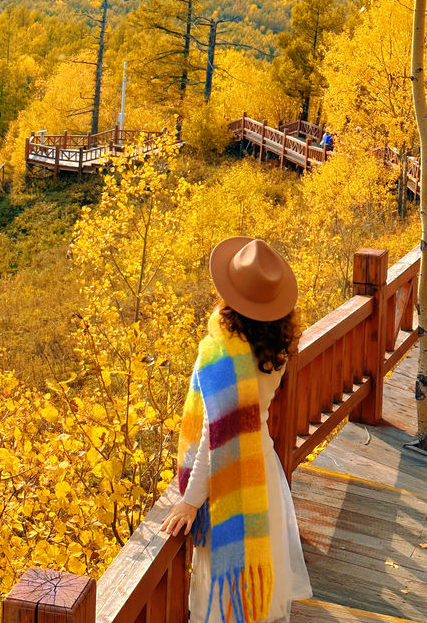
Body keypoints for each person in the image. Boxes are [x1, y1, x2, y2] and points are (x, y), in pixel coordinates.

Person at [160, 237, 313, 623]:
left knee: (224, 601)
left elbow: (218, 438)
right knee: (257, 591)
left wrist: (190, 501)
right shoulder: (278, 346)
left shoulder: (220, 354)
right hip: (261, 468)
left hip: (229, 478)